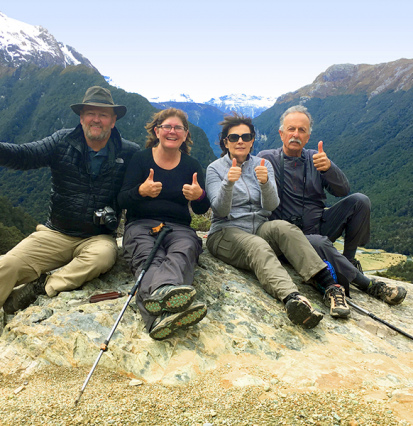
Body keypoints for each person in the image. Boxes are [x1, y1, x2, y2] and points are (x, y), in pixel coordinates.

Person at [0, 86, 140, 314]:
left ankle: (42, 287)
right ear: (82, 117)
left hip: (97, 237)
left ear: (113, 121)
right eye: (91, 113)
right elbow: (24, 156)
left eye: (103, 114)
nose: (97, 119)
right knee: (7, 265)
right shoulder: (61, 141)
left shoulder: (129, 152)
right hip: (55, 232)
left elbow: (146, 183)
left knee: (102, 257)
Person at [206, 113, 351, 329]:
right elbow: (220, 209)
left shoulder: (263, 164)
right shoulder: (215, 169)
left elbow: (271, 206)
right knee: (257, 246)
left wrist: (265, 183)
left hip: (259, 228)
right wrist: (228, 183)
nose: (240, 141)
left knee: (285, 228)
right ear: (225, 141)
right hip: (226, 232)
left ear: (252, 140)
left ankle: (330, 287)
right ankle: (293, 299)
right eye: (234, 137)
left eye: (246, 137)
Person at [258, 105, 406, 305]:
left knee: (360, 201)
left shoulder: (316, 158)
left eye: (302, 130)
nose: (295, 134)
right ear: (281, 133)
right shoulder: (267, 159)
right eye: (291, 129)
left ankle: (349, 260)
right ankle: (369, 285)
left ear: (308, 137)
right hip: (288, 240)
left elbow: (343, 190)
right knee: (318, 241)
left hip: (318, 226)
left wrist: (329, 169)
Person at [118, 108, 210, 341]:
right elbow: (121, 199)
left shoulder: (191, 165)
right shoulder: (141, 159)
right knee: (149, 256)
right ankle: (168, 304)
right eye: (167, 127)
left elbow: (201, 208)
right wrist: (141, 191)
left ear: (185, 133)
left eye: (177, 127)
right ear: (157, 131)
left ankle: (159, 314)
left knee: (185, 249)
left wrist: (198, 195)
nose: (172, 131)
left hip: (178, 226)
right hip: (140, 224)